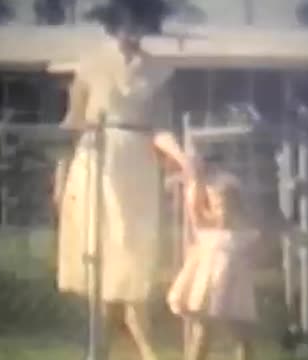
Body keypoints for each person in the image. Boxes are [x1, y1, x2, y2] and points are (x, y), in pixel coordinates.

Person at [52, 17, 190, 360]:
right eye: (123, 20)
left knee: (134, 255)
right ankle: (97, 349)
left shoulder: (158, 70)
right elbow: (72, 124)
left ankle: (146, 352)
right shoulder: (89, 64)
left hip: (137, 165)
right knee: (99, 255)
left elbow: (162, 128)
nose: (131, 29)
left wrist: (183, 163)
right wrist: (59, 175)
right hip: (95, 159)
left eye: (137, 20)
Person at [167, 167, 259, 360]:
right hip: (210, 287)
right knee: (203, 331)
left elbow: (256, 246)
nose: (223, 208)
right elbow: (195, 207)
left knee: (242, 333)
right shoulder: (206, 231)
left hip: (235, 287)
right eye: (217, 204)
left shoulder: (244, 234)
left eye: (228, 204)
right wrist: (197, 180)